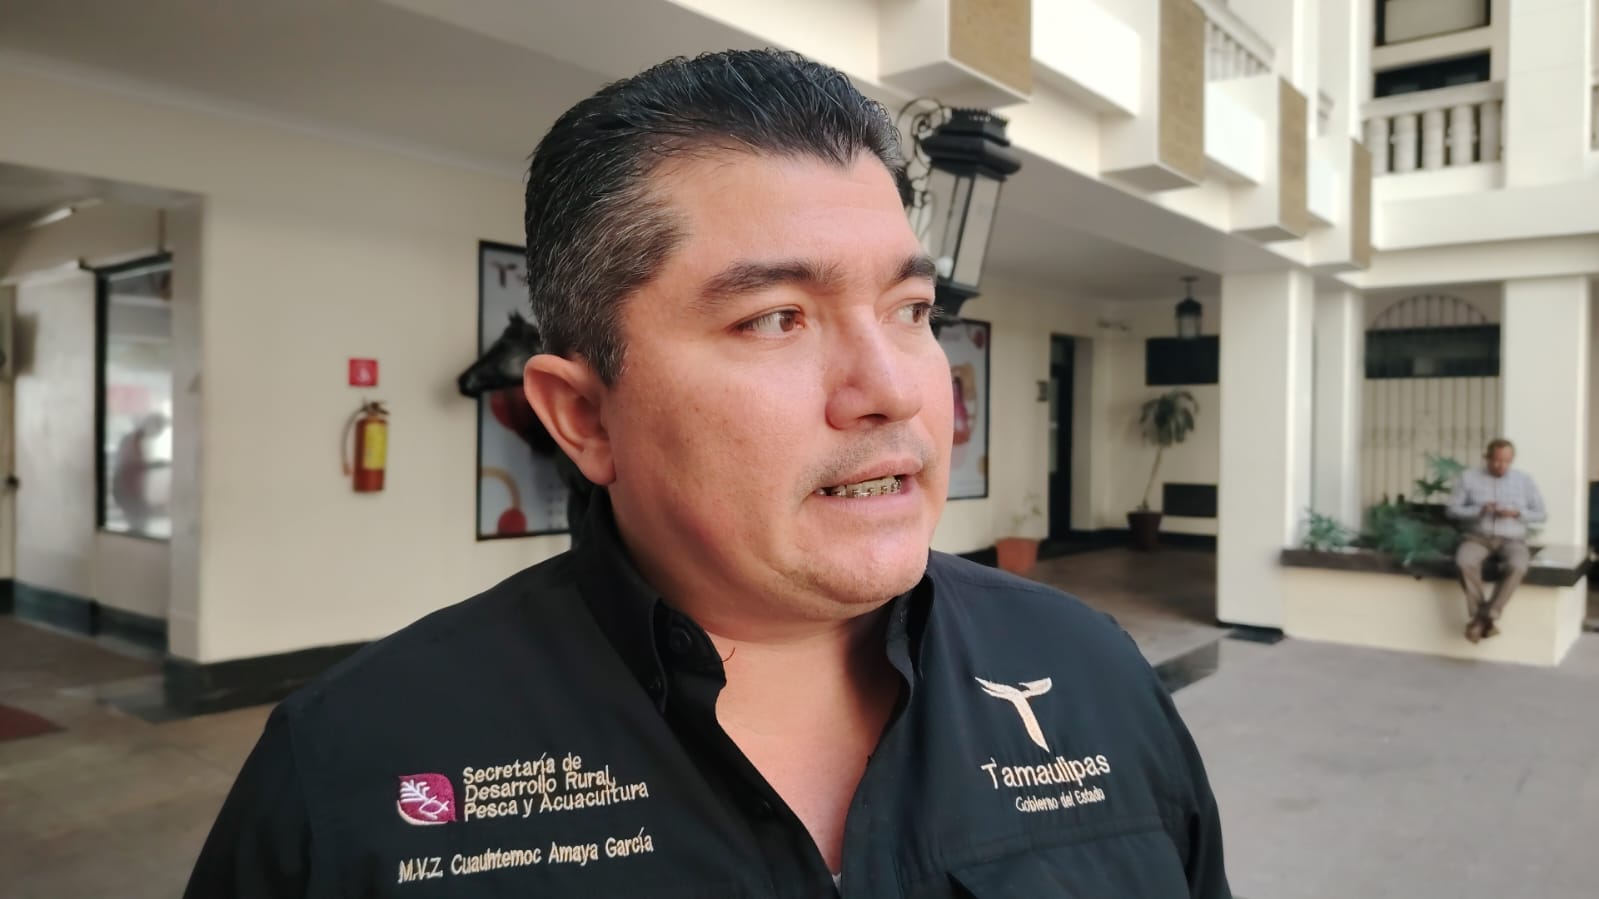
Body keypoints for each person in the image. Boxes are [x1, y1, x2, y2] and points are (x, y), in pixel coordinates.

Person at [186, 49, 1230, 898]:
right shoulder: (357, 764)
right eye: (776, 318)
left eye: (911, 311)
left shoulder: (1085, 670)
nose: (893, 390)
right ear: (584, 416)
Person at [1448, 438, 1547, 643]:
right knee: (1464, 561)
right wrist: (1479, 510)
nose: (1500, 465)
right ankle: (1483, 619)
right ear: (1487, 457)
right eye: (1496, 460)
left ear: (1512, 459)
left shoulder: (1524, 480)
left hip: (1513, 539)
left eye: (1506, 461)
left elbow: (1541, 514)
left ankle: (1485, 617)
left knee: (1518, 565)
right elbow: (1452, 510)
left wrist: (1517, 513)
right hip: (1478, 537)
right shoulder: (1468, 478)